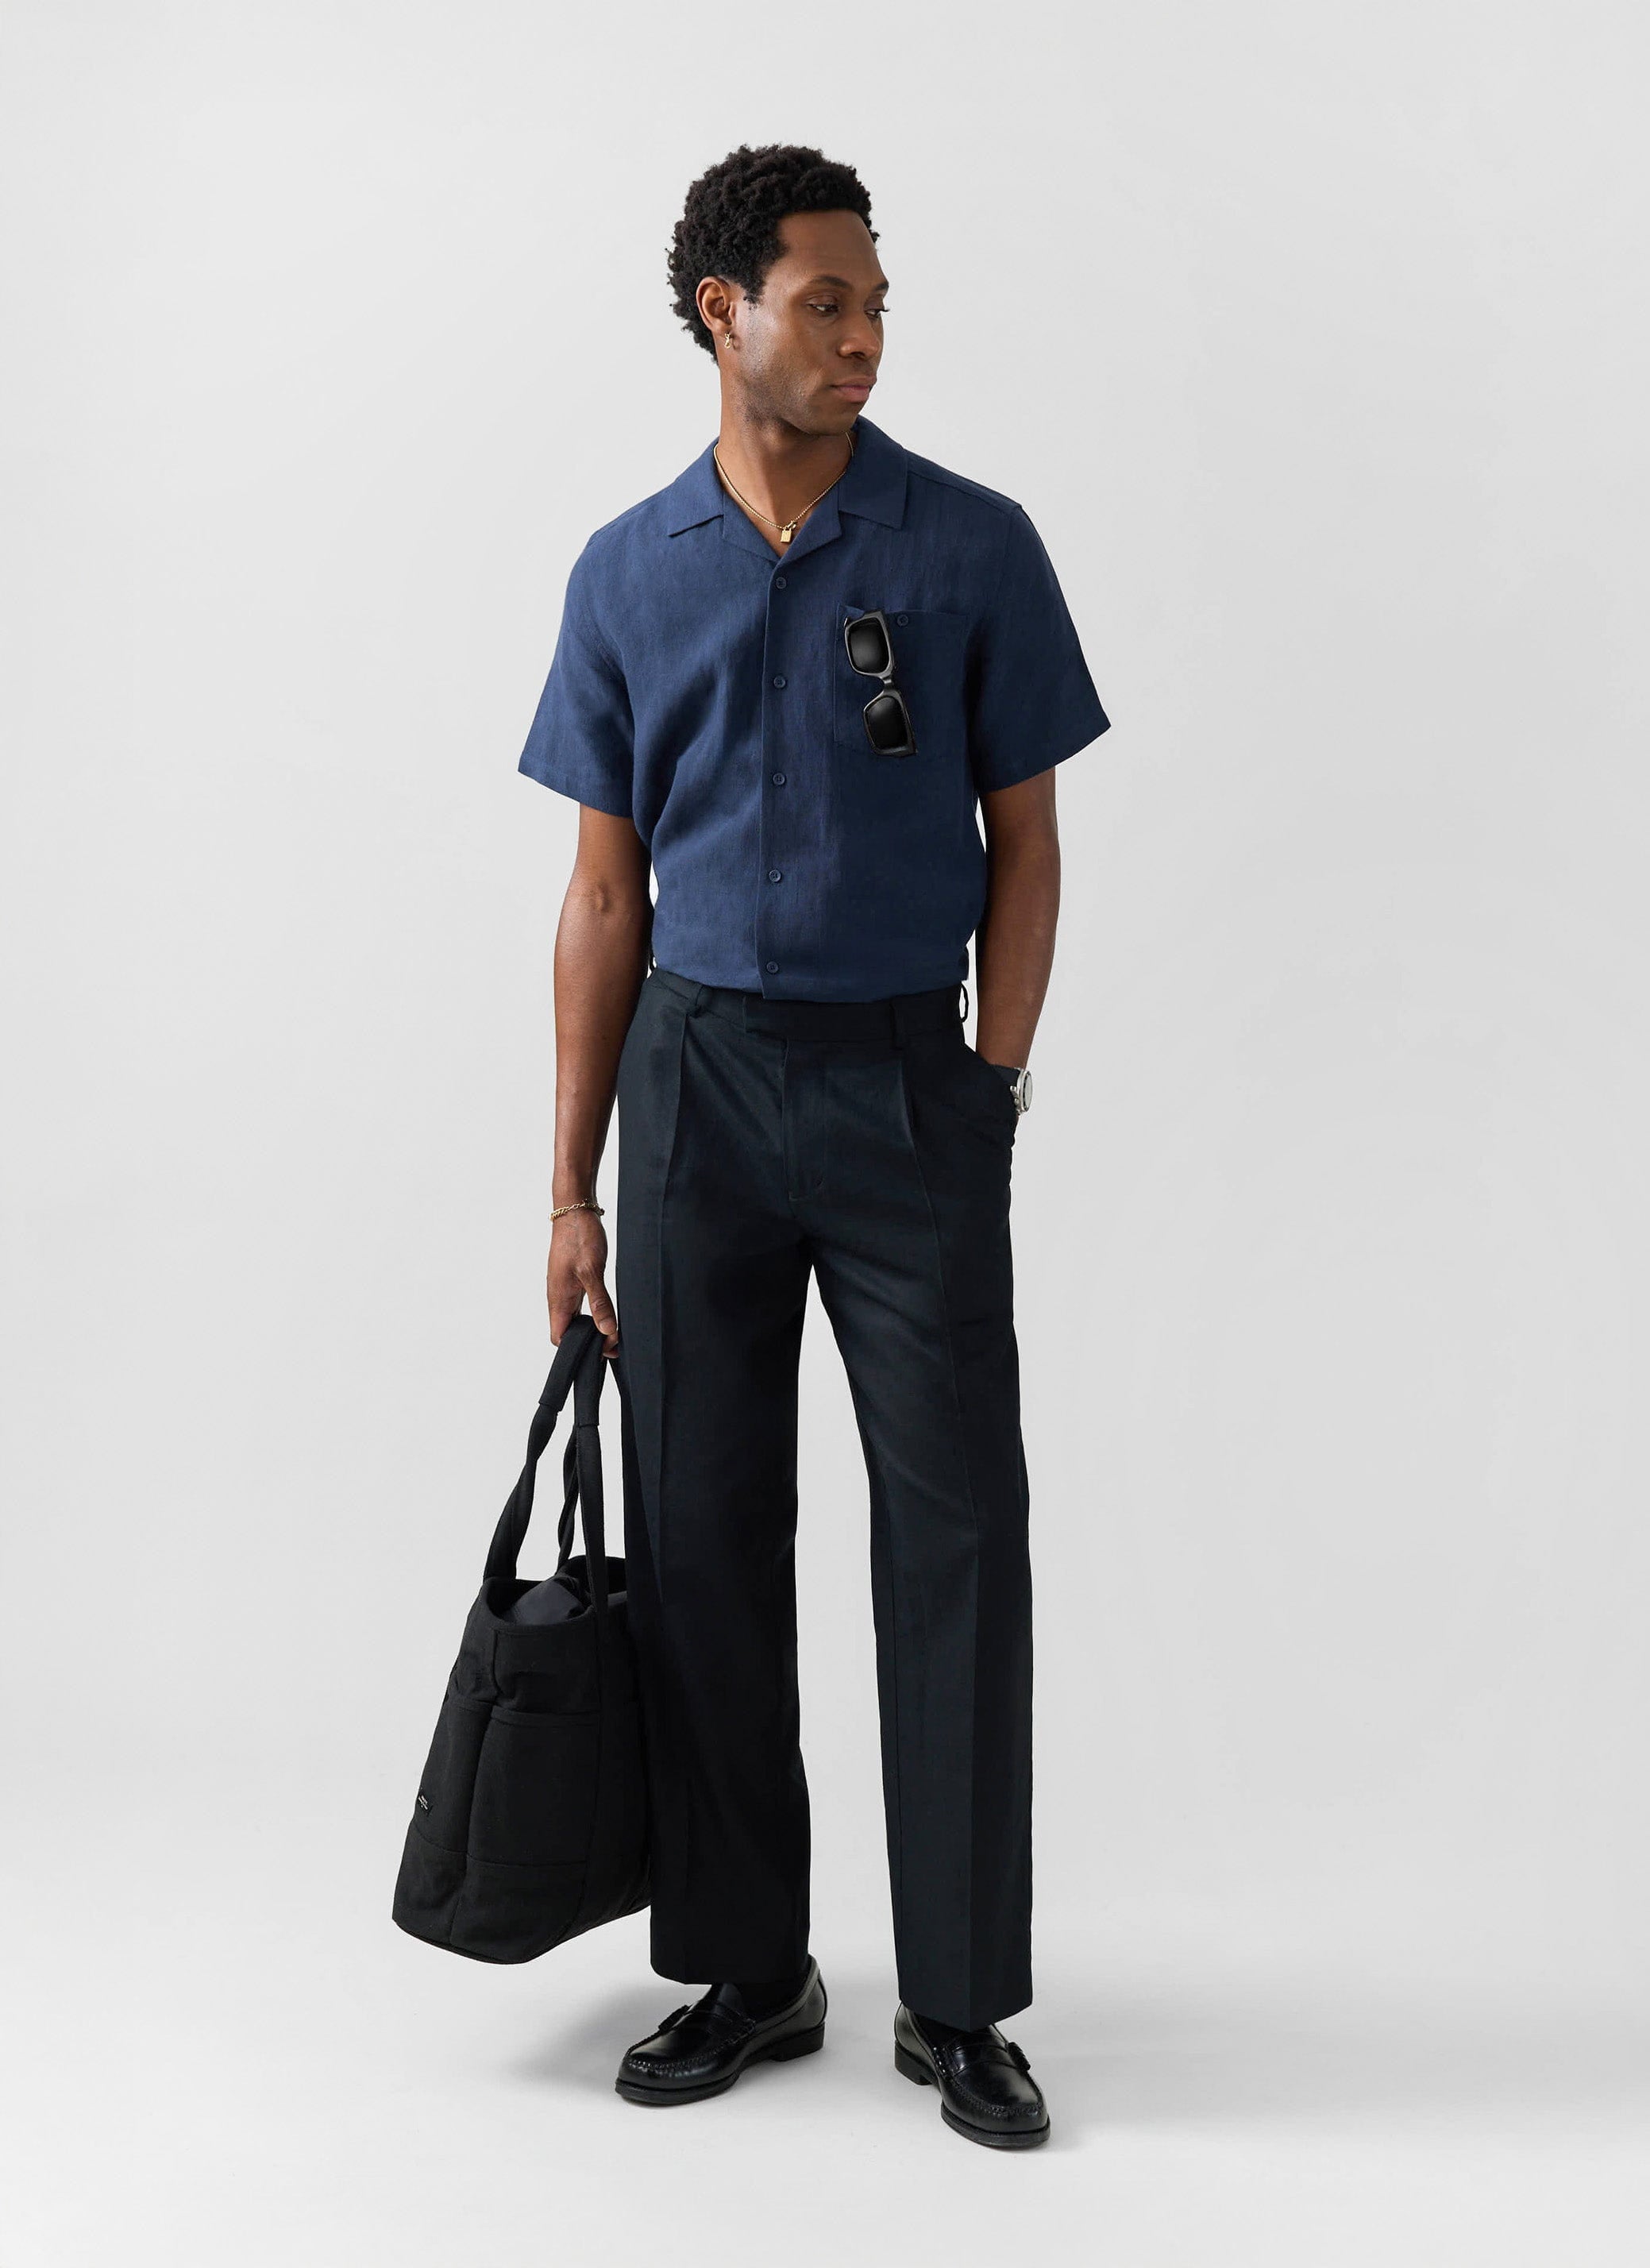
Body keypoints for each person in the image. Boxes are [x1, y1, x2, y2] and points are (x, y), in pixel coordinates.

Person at [516, 143, 1108, 2150]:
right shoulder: (627, 570)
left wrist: (986, 1087)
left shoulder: (970, 547)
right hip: (691, 1090)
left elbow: (1027, 844)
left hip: (902, 1083)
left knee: (955, 1530)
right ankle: (748, 1967)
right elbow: (601, 900)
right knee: (698, 1531)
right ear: (724, 315)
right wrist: (570, 1182)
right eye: (823, 302)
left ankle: (957, 1999)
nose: (860, 337)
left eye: (877, 305)